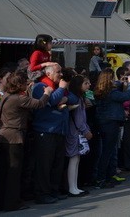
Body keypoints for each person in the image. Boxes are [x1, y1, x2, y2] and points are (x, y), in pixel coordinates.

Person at [0, 70, 52, 211]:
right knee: (14, 172)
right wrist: (47, 93)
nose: (27, 84)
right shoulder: (18, 99)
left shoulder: (6, 96)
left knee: (3, 171)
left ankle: (0, 202)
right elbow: (38, 104)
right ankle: (12, 203)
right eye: (25, 82)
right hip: (14, 137)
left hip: (2, 136)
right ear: (19, 84)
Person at [31, 64, 78, 204]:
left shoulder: (57, 88)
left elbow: (74, 99)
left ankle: (53, 190)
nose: (61, 75)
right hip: (46, 131)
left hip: (59, 130)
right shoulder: (40, 87)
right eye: (58, 72)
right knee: (44, 164)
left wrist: (63, 97)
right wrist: (62, 89)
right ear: (49, 74)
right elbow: (50, 101)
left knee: (57, 163)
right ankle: (42, 193)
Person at [94, 68, 130, 188]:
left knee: (110, 151)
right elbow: (127, 95)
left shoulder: (100, 90)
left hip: (104, 122)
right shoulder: (111, 93)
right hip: (111, 122)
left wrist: (122, 83)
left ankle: (108, 176)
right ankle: (101, 178)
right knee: (107, 151)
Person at [65, 74, 93, 197]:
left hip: (76, 131)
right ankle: (72, 187)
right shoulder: (76, 98)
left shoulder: (79, 98)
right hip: (75, 132)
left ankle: (74, 186)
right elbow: (79, 119)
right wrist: (85, 130)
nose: (89, 85)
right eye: (86, 83)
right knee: (74, 158)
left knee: (76, 159)